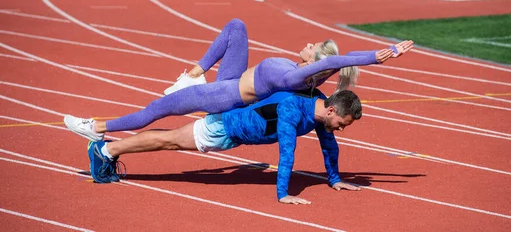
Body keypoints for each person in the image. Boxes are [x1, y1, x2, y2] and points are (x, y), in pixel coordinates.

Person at [65, 18, 413, 142]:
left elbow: (340, 59)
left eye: (312, 47)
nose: (305, 44)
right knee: (236, 27)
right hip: (232, 79)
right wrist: (389, 52)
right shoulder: (309, 70)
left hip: (223, 96)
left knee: (156, 110)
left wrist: (375, 57)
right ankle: (193, 74)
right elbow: (343, 60)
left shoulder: (298, 74)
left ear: (315, 62)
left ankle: (96, 126)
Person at [85, 89, 363, 204]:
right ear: (330, 110)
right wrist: (283, 194)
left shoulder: (318, 105)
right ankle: (106, 151)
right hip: (224, 129)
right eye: (342, 123)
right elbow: (287, 153)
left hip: (231, 131)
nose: (340, 129)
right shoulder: (294, 110)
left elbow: (329, 146)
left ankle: (110, 149)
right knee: (168, 140)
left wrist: (335, 179)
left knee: (169, 139)